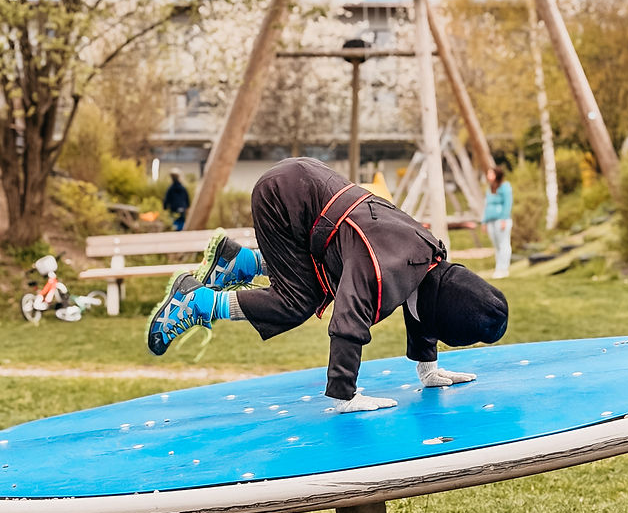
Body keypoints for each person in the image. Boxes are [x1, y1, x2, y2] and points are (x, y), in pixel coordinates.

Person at [146, 156, 509, 413]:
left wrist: (428, 370)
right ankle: (198, 301)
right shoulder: (381, 267)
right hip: (284, 194)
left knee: (323, 280)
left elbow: (425, 309)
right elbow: (347, 324)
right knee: (297, 302)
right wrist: (345, 394)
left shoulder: (427, 257)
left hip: (308, 184)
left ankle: (240, 261)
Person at [481, 164, 513, 278]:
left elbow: (507, 204)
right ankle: (498, 268)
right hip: (490, 221)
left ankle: (503, 269)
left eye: (491, 173)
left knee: (504, 244)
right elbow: (486, 206)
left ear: (496, 175)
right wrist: (483, 221)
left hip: (501, 220)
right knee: (496, 246)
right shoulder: (489, 188)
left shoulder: (505, 187)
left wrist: (504, 219)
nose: (488, 175)